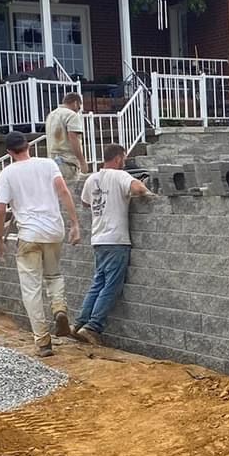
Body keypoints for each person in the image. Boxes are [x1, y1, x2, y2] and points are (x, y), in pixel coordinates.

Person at [0, 130, 81, 357]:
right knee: (53, 275)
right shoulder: (47, 164)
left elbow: (1, 209)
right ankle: (59, 307)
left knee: (31, 288)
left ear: (9, 152)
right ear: (28, 145)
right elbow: (63, 191)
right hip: (53, 231)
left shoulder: (7, 173)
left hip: (29, 236)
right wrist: (74, 224)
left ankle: (43, 341)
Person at [73, 143, 152, 344]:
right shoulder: (120, 176)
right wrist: (144, 191)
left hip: (98, 239)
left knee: (98, 282)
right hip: (116, 240)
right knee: (111, 285)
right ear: (118, 159)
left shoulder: (92, 179)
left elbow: (85, 202)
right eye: (123, 159)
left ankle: (80, 323)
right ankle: (93, 327)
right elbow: (139, 189)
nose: (124, 162)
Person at [44, 92, 89, 184]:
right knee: (69, 193)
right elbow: (73, 138)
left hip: (52, 161)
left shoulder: (51, 115)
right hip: (67, 162)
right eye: (79, 108)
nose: (78, 111)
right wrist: (82, 161)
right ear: (75, 103)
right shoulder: (71, 115)